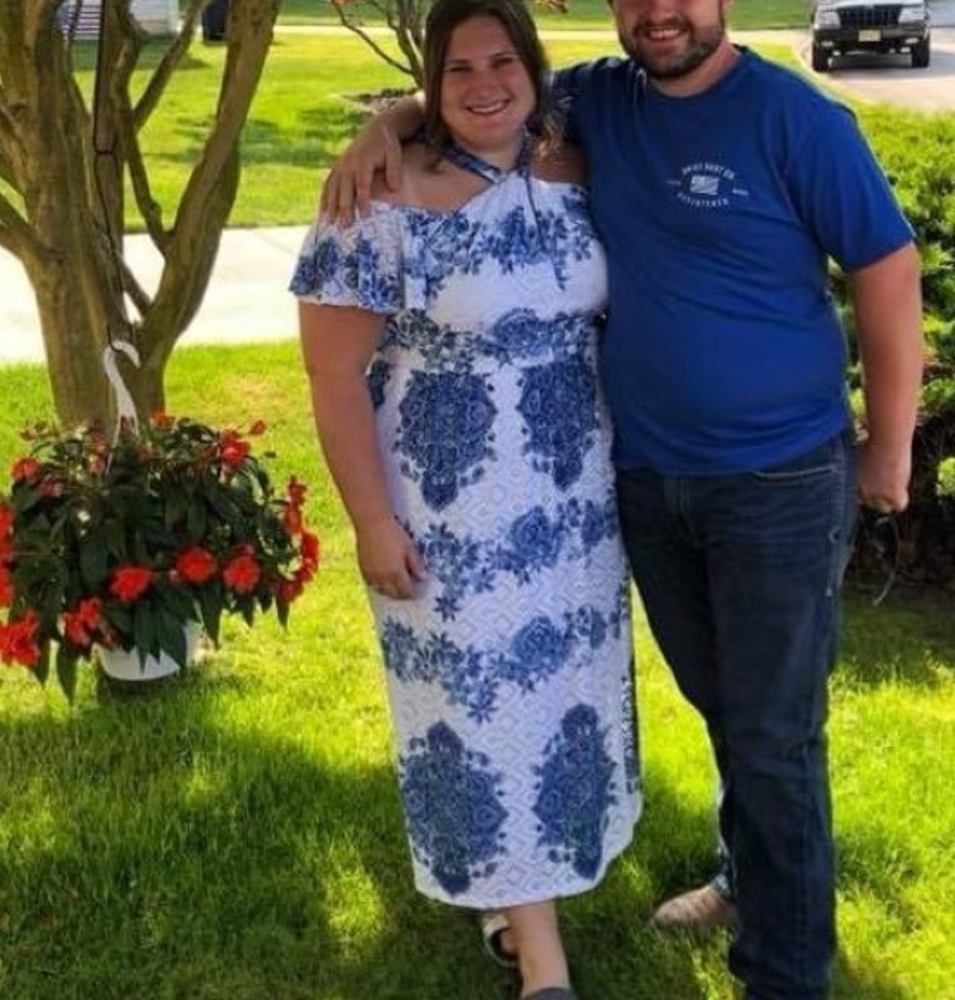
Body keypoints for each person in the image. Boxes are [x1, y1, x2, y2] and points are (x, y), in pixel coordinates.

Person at [319, 0, 925, 996]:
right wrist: (381, 126)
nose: (659, 12)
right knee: (725, 706)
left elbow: (887, 269)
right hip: (643, 477)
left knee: (773, 732)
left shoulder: (795, 119)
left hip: (775, 479)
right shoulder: (602, 101)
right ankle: (749, 879)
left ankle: (784, 973)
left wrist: (888, 445)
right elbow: (481, 87)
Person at [290, 0, 642, 996]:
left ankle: (515, 898)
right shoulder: (381, 194)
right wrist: (371, 522)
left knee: (564, 698)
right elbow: (330, 376)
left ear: (533, 68)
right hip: (452, 506)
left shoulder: (574, 164)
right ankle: (542, 962)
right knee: (483, 706)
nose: (484, 85)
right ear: (429, 84)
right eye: (457, 70)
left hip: (576, 501)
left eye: (502, 63)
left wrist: (391, 114)